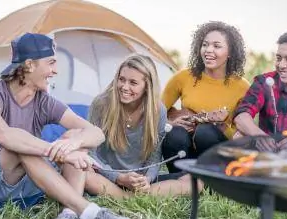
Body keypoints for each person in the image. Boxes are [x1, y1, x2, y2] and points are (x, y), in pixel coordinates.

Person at [0, 33, 141, 219]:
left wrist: (72, 145)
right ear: (29, 65)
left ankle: (68, 215)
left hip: (28, 188)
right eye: (51, 62)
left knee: (74, 136)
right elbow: (3, 134)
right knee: (22, 145)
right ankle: (90, 213)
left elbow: (96, 133)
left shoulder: (43, 101)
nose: (55, 71)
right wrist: (60, 154)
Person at [84, 54, 201, 198]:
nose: (124, 87)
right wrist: (119, 178)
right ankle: (126, 196)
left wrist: (147, 179)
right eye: (121, 79)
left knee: (197, 181)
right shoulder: (102, 104)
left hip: (137, 181)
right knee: (84, 175)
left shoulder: (158, 110)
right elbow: (91, 154)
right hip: (105, 176)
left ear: (147, 86)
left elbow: (154, 157)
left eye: (133, 83)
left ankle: (129, 194)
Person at [161, 21, 250, 173]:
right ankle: (181, 180)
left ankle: (212, 181)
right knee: (174, 134)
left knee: (205, 132)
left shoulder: (243, 87)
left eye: (217, 46)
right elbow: (156, 111)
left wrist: (222, 126)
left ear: (230, 52)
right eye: (205, 44)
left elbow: (243, 139)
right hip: (186, 151)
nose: (208, 50)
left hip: (219, 153)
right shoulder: (183, 77)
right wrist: (172, 122)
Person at [234, 30, 287, 149]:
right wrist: (259, 135)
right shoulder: (264, 82)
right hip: (268, 150)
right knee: (239, 137)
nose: (281, 65)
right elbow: (241, 116)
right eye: (279, 58)